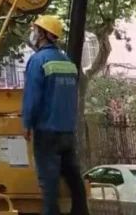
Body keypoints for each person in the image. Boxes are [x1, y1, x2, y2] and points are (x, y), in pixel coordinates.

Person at [22, 14, 89, 215]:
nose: (34, 34)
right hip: (67, 131)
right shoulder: (68, 62)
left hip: (46, 131)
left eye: (35, 31)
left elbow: (32, 96)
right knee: (73, 176)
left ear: (43, 34)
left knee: (49, 182)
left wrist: (27, 123)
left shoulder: (38, 60)